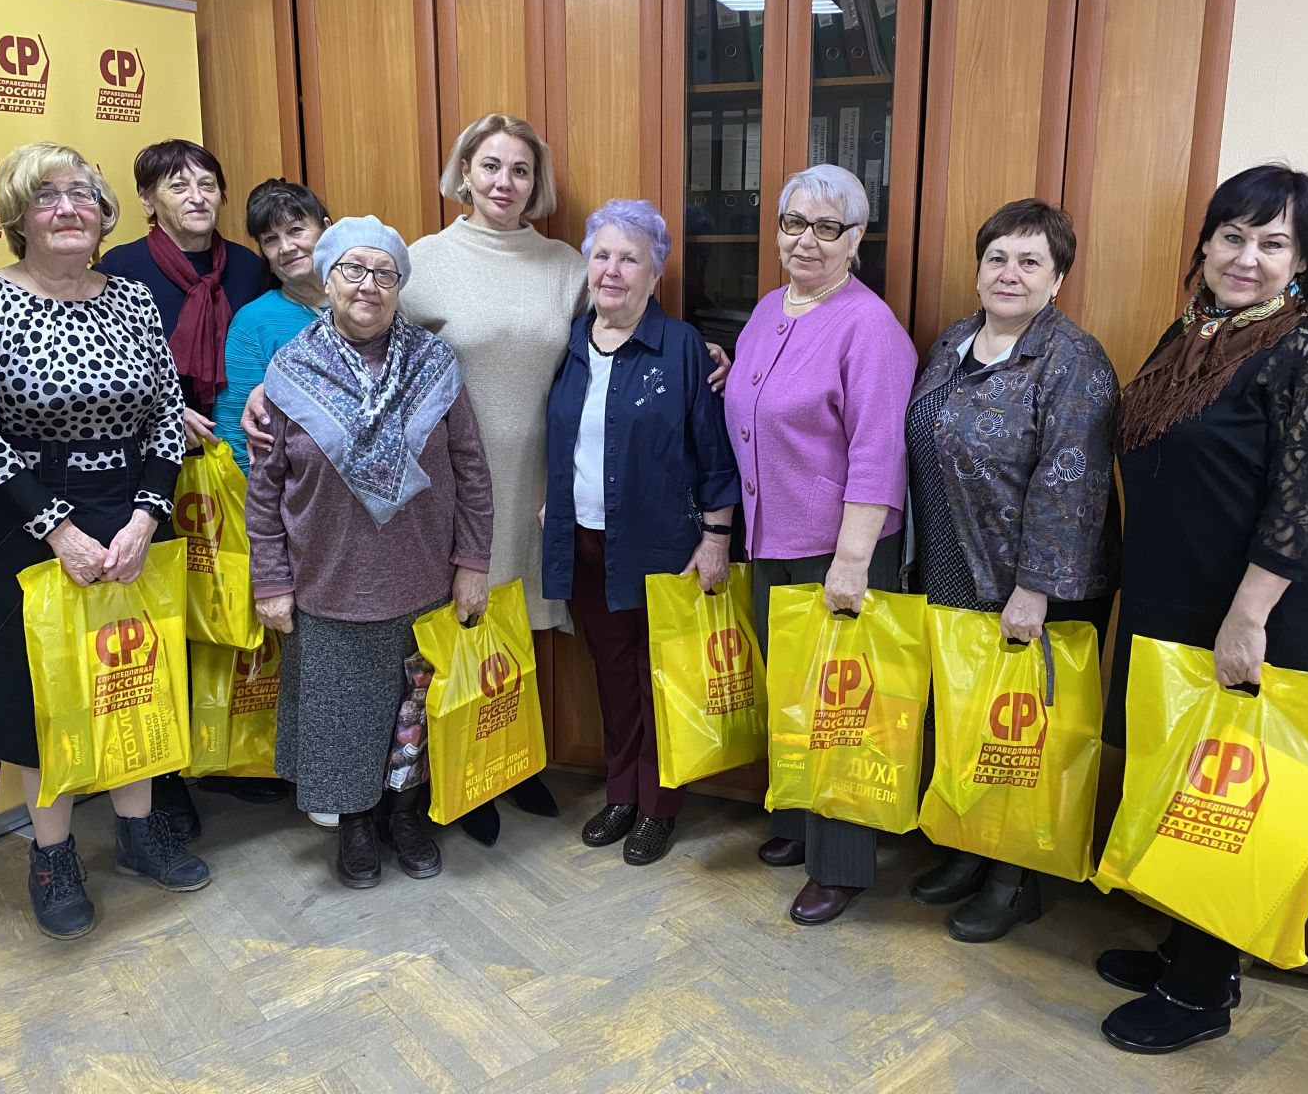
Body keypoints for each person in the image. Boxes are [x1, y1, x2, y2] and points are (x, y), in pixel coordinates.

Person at [241, 112, 730, 846]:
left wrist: (708, 354)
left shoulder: (567, 264)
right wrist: (272, 389)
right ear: (464, 173)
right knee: (457, 630)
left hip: (548, 487)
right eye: (491, 165)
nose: (506, 181)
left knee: (518, 626)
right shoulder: (423, 259)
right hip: (447, 488)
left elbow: (623, 325)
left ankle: (510, 759)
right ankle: (459, 776)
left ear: (537, 184)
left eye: (521, 170)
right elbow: (354, 331)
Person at [1095, 164, 1308, 1054]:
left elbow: (1302, 506)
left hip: (1251, 613)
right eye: (1232, 236)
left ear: (1303, 259)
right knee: (1180, 788)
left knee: (1225, 802)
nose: (1246, 257)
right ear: (1207, 243)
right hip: (1171, 601)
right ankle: (1186, 948)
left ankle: (1203, 992)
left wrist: (1247, 620)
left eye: (1272, 242)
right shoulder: (1193, 333)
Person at [0, 142, 209, 940]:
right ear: (18, 216)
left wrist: (146, 516)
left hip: (125, 507)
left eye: (82, 194)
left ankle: (139, 833)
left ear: (104, 212)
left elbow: (166, 413)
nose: (67, 208)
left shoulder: (131, 299)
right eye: (47, 196)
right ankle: (52, 856)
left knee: (131, 674)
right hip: (14, 518)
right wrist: (56, 528)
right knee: (35, 690)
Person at [246, 216, 494, 889]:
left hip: (424, 579)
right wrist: (271, 581)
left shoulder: (435, 363)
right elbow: (264, 488)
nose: (368, 284)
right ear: (327, 281)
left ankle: (405, 818)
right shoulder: (290, 371)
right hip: (327, 583)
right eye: (353, 270)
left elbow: (471, 469)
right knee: (344, 721)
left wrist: (473, 564)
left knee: (412, 719)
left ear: (399, 287)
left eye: (385, 273)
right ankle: (356, 825)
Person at [904, 198, 1118, 942]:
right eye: (997, 257)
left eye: (1031, 262)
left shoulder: (1073, 360)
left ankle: (1016, 877)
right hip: (950, 563)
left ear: (1057, 279)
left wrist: (1034, 590)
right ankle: (971, 849)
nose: (1009, 273)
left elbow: (1073, 485)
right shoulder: (954, 341)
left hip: (1027, 583)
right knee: (968, 717)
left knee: (1021, 734)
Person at [723, 164, 916, 926]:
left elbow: (878, 451)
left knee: (843, 713)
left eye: (827, 227)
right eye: (794, 222)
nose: (807, 239)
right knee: (794, 696)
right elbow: (758, 398)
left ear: (856, 238)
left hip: (840, 551)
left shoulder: (871, 327)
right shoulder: (769, 308)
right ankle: (801, 820)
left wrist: (852, 562)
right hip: (771, 539)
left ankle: (842, 866)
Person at [542, 199, 739, 865]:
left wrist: (717, 537)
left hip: (664, 546)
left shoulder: (683, 348)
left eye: (630, 259)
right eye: (602, 255)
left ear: (655, 276)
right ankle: (621, 792)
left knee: (662, 678)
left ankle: (659, 804)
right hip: (586, 542)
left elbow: (715, 455)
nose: (612, 270)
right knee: (613, 675)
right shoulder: (571, 342)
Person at [96, 139, 283, 825]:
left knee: (232, 607)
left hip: (238, 464)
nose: (197, 196)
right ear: (148, 200)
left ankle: (228, 755)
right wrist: (167, 411)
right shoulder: (120, 270)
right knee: (166, 615)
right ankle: (166, 776)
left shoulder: (250, 268)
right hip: (149, 469)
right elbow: (103, 368)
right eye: (177, 185)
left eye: (207, 183)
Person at [212, 179, 331, 472]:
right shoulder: (253, 323)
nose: (286, 247)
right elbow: (235, 438)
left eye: (296, 230)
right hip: (295, 491)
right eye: (270, 239)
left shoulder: (368, 299)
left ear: (327, 229)